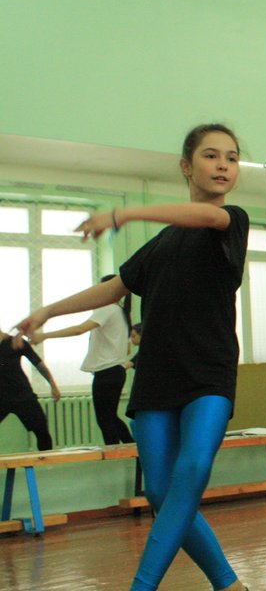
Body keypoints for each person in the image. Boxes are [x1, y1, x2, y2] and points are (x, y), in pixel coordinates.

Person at [17, 123, 249, 591]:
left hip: (209, 372)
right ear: (186, 167)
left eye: (231, 157)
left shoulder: (230, 221)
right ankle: (228, 584)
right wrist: (47, 310)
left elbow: (205, 217)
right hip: (157, 375)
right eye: (210, 155)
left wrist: (125, 212)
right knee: (160, 492)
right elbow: (114, 289)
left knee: (192, 472)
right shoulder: (161, 244)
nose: (223, 165)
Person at [30, 275, 134, 446]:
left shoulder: (107, 308)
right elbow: (127, 349)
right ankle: (134, 450)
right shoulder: (122, 313)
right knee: (110, 417)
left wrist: (44, 335)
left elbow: (79, 329)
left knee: (105, 420)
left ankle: (116, 454)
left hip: (107, 372)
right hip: (117, 371)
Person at [0, 328, 60, 450]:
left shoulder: (15, 343)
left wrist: (53, 385)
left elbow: (38, 364)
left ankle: (46, 460)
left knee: (42, 431)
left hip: (22, 396)